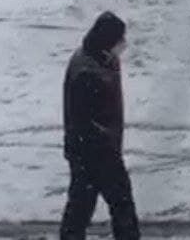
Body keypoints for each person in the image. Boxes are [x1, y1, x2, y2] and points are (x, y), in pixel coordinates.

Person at [60, 12, 140, 240]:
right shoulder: (87, 71)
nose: (123, 44)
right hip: (95, 151)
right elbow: (83, 119)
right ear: (108, 40)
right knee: (120, 205)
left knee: (81, 208)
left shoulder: (102, 59)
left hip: (95, 148)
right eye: (119, 39)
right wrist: (105, 151)